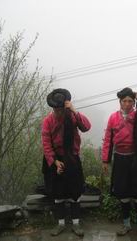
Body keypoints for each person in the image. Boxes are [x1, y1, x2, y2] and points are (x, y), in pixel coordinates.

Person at [102, 87, 137, 238]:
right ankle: (126, 225)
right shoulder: (113, 118)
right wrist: (105, 160)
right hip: (120, 159)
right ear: (120, 102)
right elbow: (108, 139)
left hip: (136, 159)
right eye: (124, 101)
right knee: (123, 194)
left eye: (130, 101)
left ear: (133, 103)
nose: (127, 104)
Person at [41, 88, 91, 237]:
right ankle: (60, 224)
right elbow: (46, 144)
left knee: (75, 191)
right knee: (58, 193)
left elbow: (87, 127)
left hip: (72, 158)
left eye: (61, 109)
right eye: (56, 109)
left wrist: (74, 110)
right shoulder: (47, 121)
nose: (58, 112)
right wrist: (55, 162)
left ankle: (76, 224)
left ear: (65, 106)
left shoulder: (72, 116)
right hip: (56, 159)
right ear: (53, 108)